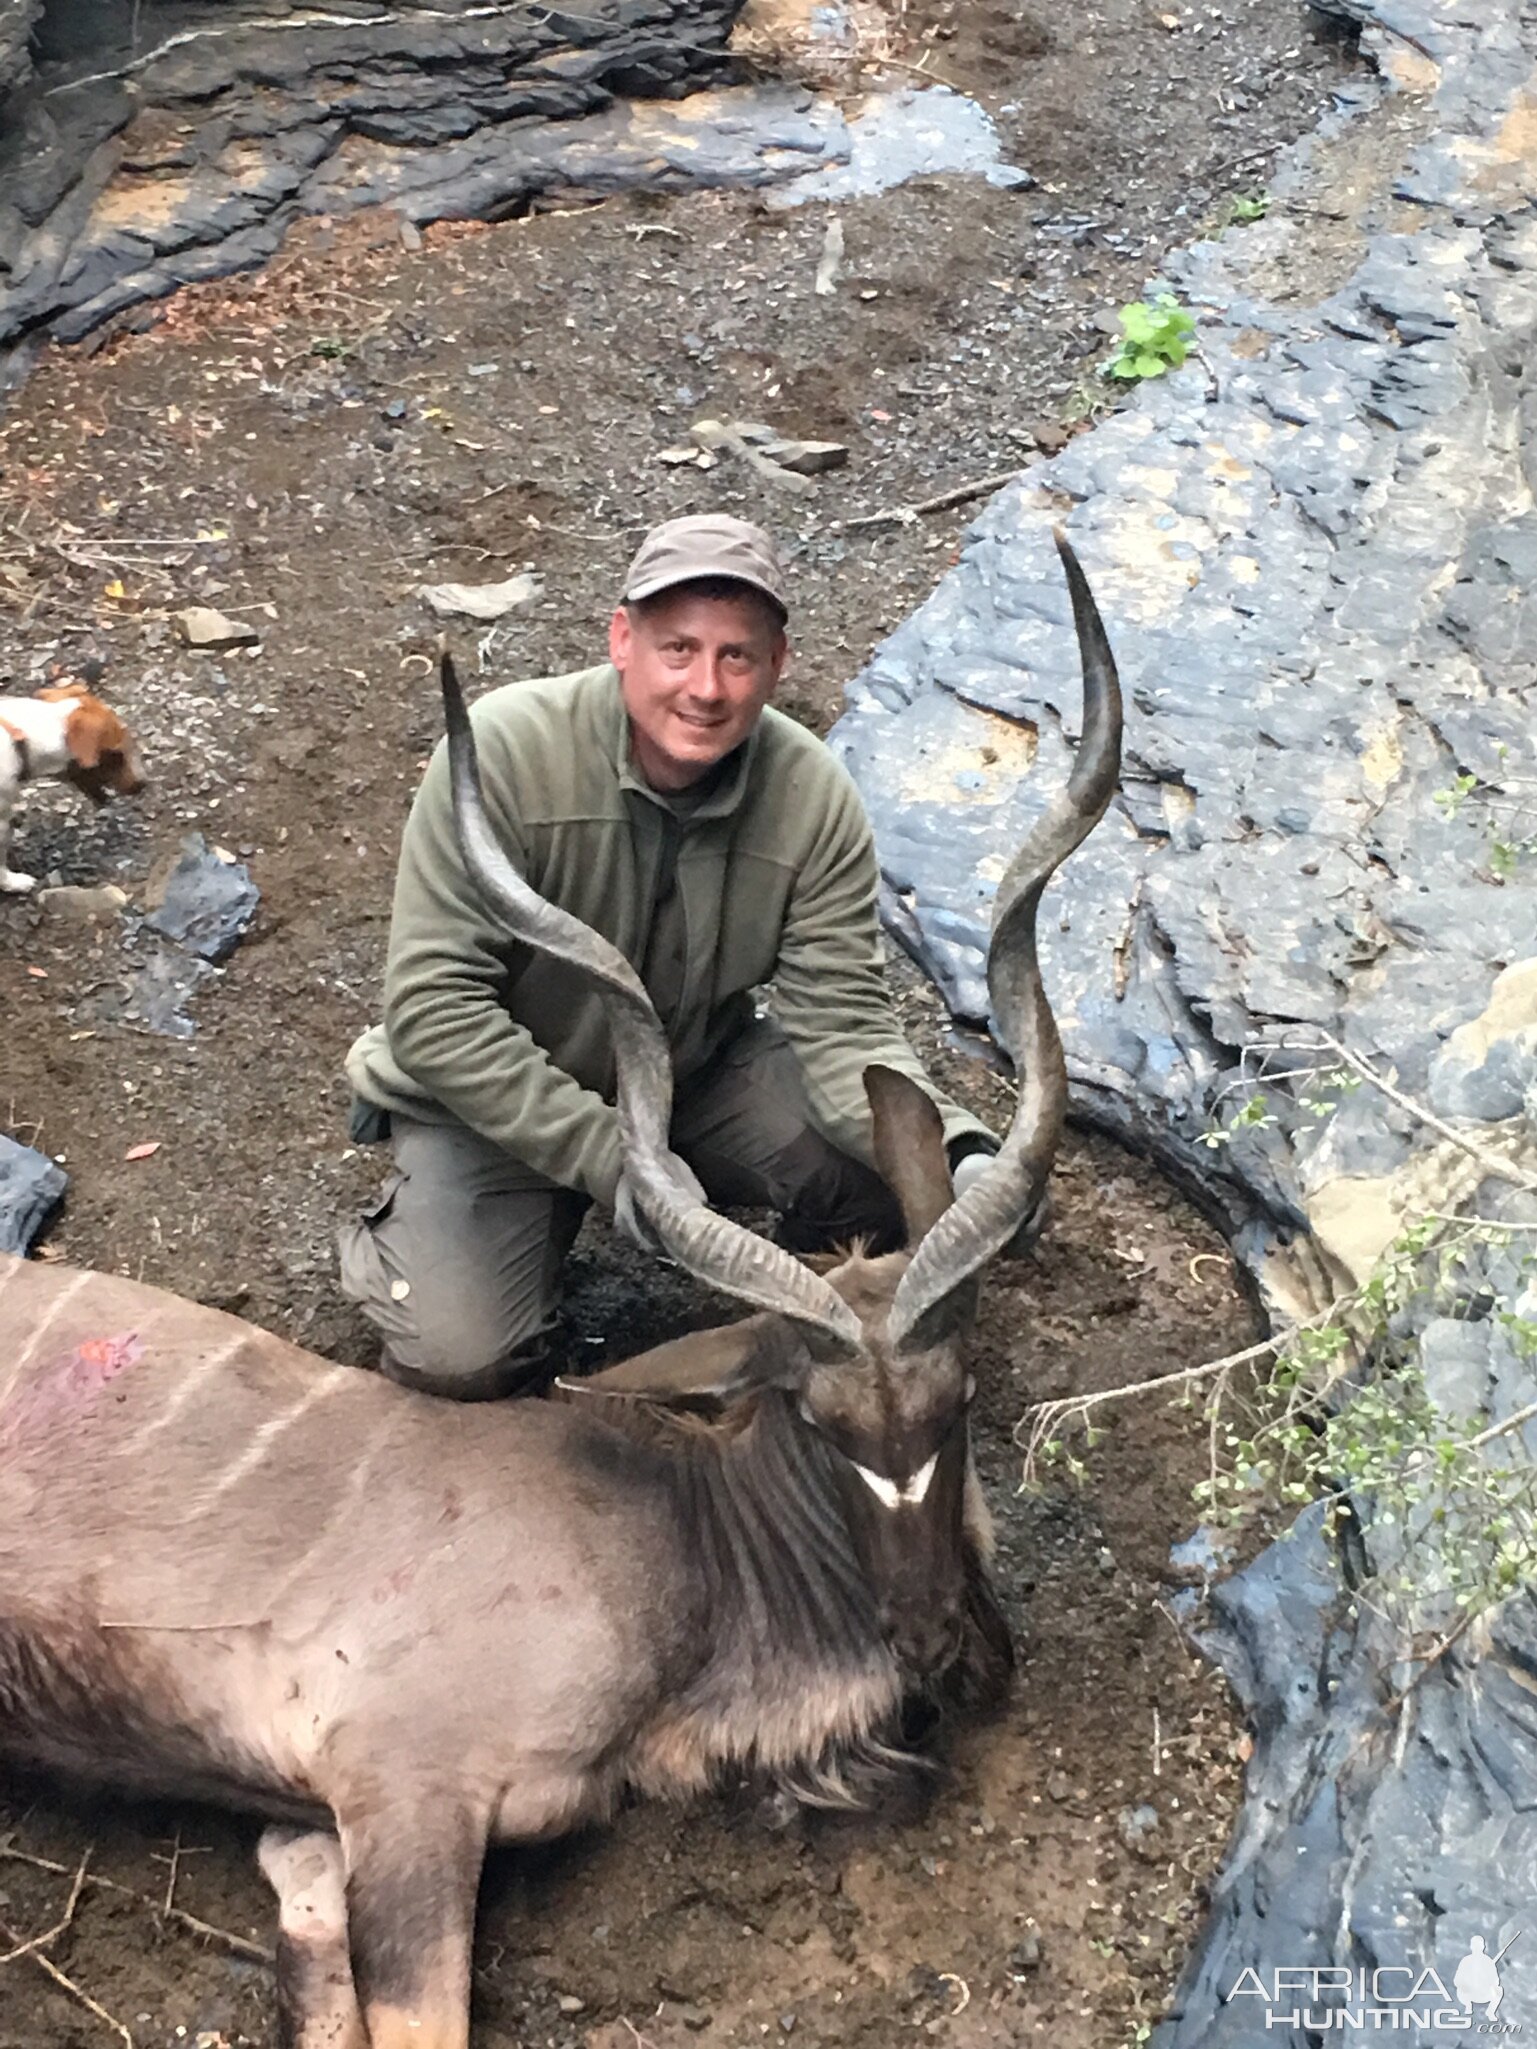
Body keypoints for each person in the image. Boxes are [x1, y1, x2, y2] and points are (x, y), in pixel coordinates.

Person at [339, 513, 1003, 1399]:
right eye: (678, 648)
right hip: (493, 1105)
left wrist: (959, 1154)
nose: (706, 687)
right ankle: (401, 1241)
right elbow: (434, 1014)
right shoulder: (501, 752)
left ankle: (804, 1344)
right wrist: (614, 1161)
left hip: (694, 1072)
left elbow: (842, 1021)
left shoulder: (812, 795)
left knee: (891, 1187)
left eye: (738, 656)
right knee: (463, 1357)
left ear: (778, 665)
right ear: (621, 640)